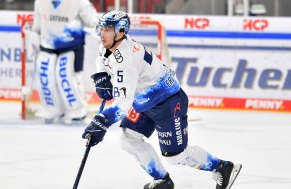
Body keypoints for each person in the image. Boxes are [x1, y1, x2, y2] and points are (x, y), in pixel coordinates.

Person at [82, 10, 242, 189]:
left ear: (120, 32)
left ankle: (222, 167)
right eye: (102, 28)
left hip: (167, 102)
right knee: (128, 140)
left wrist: (102, 121)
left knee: (175, 156)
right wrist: (101, 75)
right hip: (144, 102)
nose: (102, 33)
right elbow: (100, 57)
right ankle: (162, 180)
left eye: (108, 29)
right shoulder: (109, 43)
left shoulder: (126, 61)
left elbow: (122, 105)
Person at [30, 0, 98, 123]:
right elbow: (37, 24)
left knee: (68, 77)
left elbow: (93, 20)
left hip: (72, 44)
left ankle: (78, 110)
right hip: (47, 44)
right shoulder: (40, 1)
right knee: (46, 78)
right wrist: (34, 36)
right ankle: (52, 108)